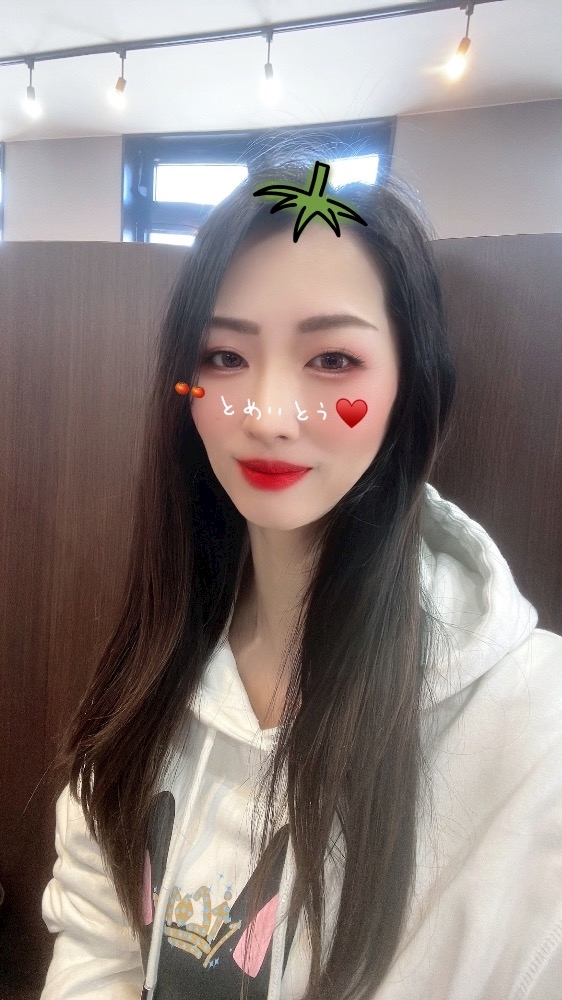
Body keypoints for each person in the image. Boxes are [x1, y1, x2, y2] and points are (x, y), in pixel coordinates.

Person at [40, 154, 562, 1000]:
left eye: (333, 360)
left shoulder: (535, 728)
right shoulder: (152, 666)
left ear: (410, 385)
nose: (270, 415)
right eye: (223, 356)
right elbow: (95, 941)